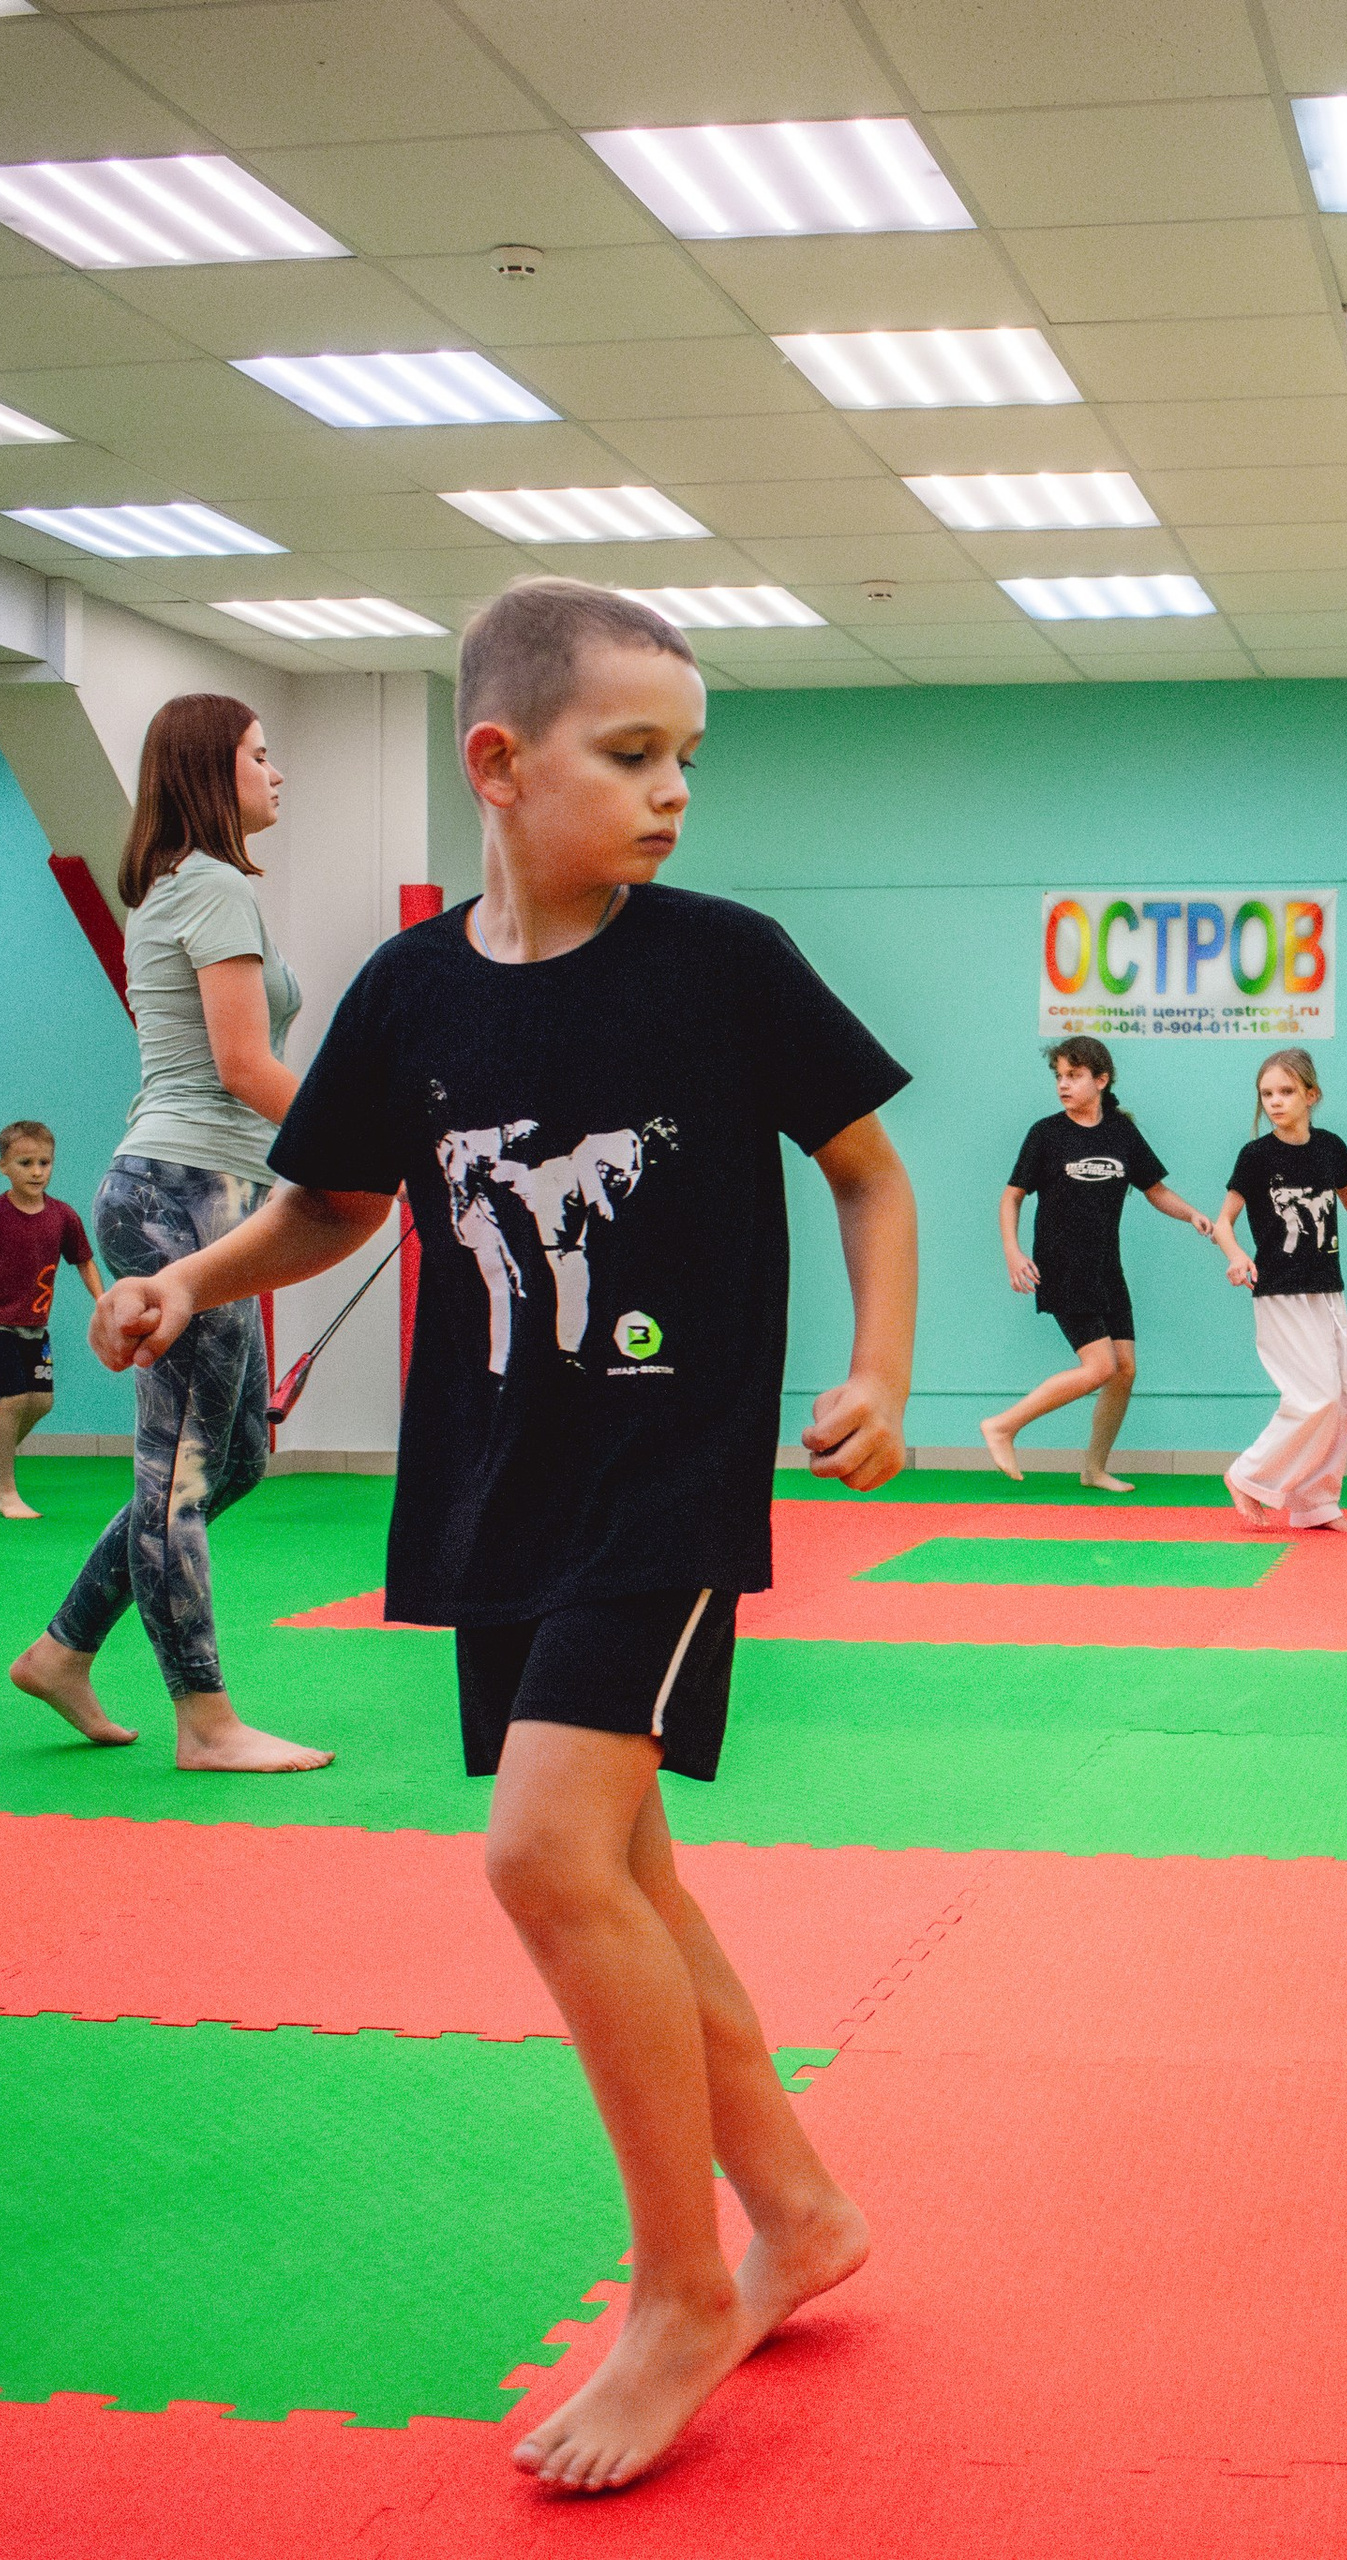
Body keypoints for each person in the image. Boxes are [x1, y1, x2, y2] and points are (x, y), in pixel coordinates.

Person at [84, 578, 918, 2494]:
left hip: (670, 1475)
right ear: (499, 761)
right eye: (633, 756)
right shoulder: (410, 993)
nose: (672, 793)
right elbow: (337, 1202)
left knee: (540, 1858)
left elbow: (865, 1169)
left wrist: (876, 1371)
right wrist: (192, 1280)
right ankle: (795, 2209)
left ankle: (680, 2285)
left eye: (686, 759)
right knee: (626, 1869)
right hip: (495, 1476)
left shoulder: (723, 964)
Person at [9, 695, 330, 1769]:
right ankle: (206, 1721)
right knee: (181, 1470)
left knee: (229, 1458)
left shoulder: (190, 888)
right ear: (211, 770)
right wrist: (366, 1142)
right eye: (259, 754)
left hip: (208, 1190)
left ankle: (64, 1647)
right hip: (178, 1194)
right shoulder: (216, 889)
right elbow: (243, 1067)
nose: (276, 773)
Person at [981, 1035, 1216, 1491]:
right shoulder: (1046, 1134)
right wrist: (1012, 1251)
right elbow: (1011, 1197)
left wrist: (1191, 1214)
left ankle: (1093, 1468)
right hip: (1062, 1266)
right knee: (1099, 1368)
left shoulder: (1121, 1133)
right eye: (1059, 1077)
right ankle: (1003, 1425)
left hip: (1107, 1268)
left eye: (1074, 1076)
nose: (1063, 1085)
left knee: (1124, 1370)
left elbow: (1155, 1189)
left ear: (1101, 1080)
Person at [1213, 1046, 1347, 1533]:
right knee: (1315, 1398)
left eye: (1286, 1091)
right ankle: (1246, 1474)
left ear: (1311, 1094)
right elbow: (1224, 1220)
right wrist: (1237, 1255)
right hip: (1280, 1293)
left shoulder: (1329, 1146)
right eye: (1267, 1093)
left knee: (1345, 1400)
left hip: (1327, 1289)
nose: (1275, 1101)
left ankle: (1315, 1504)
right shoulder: (1256, 1156)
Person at [0, 1121, 105, 1523]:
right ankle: (6, 1492)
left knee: (41, 1402)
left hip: (34, 1327)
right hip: (1, 1326)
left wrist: (102, 1301)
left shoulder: (62, 1216)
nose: (37, 1171)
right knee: (11, 1401)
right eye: (25, 1162)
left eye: (44, 1162)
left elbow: (83, 1260)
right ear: (5, 1166)